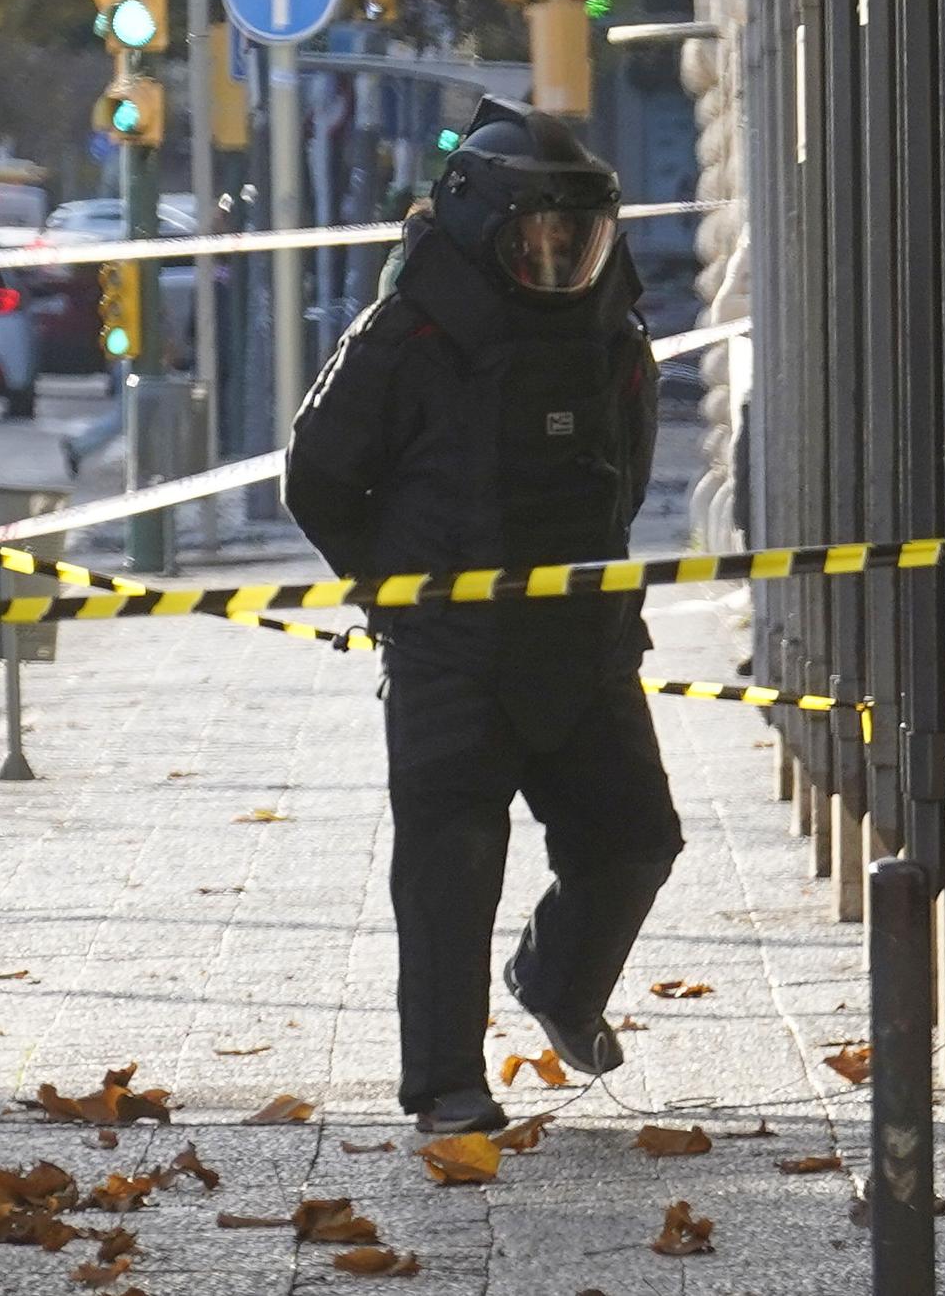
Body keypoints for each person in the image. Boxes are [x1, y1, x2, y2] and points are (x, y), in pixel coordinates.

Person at [283, 97, 684, 1134]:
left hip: (584, 642)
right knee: (449, 868)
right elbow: (318, 476)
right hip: (451, 655)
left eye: (577, 239)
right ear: (480, 228)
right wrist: (394, 588)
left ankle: (557, 983)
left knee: (635, 839)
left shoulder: (612, 331)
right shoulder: (406, 332)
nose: (558, 258)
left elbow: (626, 474)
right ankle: (447, 1090)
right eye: (537, 239)